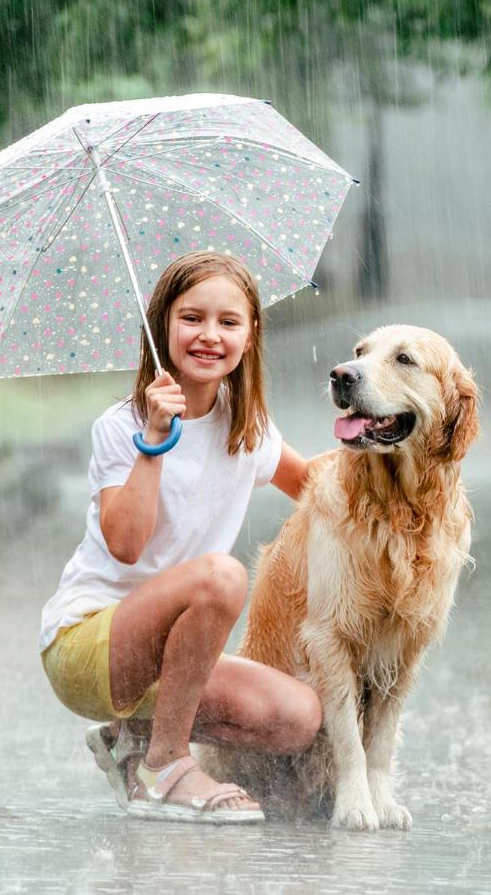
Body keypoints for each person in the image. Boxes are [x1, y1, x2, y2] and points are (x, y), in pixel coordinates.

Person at [39, 250, 324, 823]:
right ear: (162, 324)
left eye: (228, 321)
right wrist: (154, 439)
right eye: (191, 318)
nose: (209, 336)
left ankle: (130, 738)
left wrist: (392, 466)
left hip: (175, 660)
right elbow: (125, 546)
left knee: (298, 718)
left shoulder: (248, 429)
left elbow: (319, 489)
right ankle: (164, 765)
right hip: (90, 644)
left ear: (251, 334)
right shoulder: (121, 427)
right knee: (222, 576)